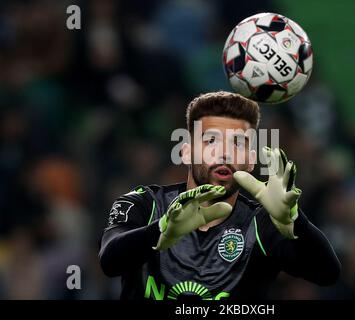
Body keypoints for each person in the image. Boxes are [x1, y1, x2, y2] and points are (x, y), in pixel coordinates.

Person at [99, 91, 340, 300]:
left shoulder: (262, 223)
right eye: (211, 140)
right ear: (186, 152)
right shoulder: (144, 203)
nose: (224, 153)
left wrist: (296, 222)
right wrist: (161, 231)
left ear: (250, 160)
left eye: (238, 143)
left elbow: (327, 274)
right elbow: (109, 261)